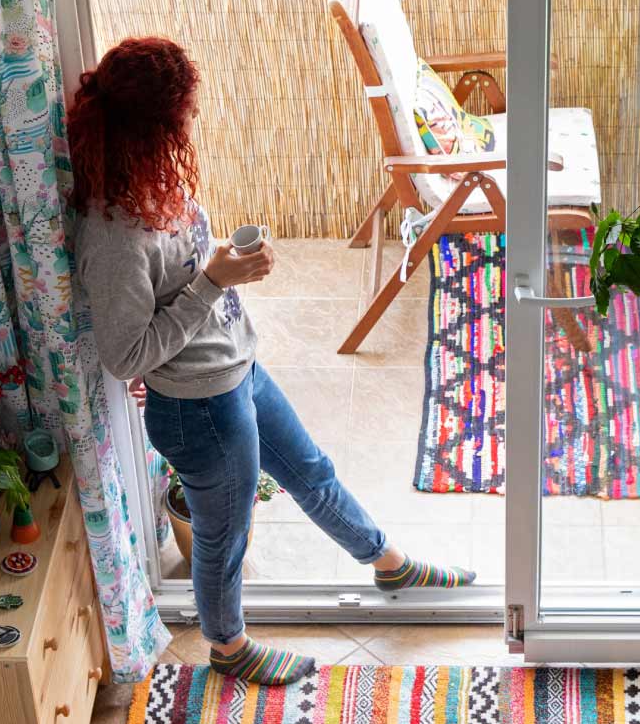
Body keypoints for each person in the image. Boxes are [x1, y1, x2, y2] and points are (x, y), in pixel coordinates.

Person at [68, 37, 476, 685]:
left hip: (234, 374)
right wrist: (213, 282)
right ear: (151, 127)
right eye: (183, 119)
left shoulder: (148, 179)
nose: (191, 128)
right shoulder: (114, 236)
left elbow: (180, 275)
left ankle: (387, 561)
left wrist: (221, 263)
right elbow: (126, 356)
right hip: (198, 408)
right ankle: (228, 649)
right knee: (225, 537)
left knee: (312, 471)